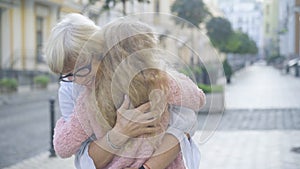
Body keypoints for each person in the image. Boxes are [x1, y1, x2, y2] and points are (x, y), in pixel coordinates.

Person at [45, 13, 205, 169]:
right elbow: (77, 155)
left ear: (101, 54)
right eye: (68, 74)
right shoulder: (156, 80)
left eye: (82, 69)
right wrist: (120, 132)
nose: (77, 80)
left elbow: (187, 120)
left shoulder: (154, 81)